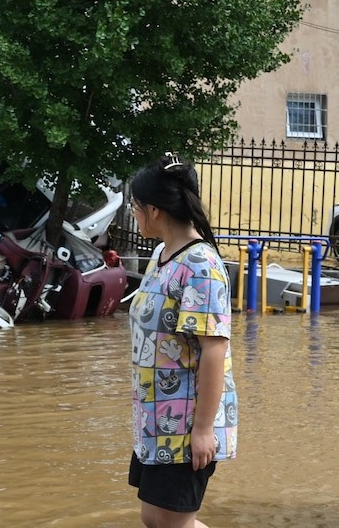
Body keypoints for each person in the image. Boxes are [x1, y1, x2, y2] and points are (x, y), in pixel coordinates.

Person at [126, 154, 237, 528]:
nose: (133, 212)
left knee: (172, 523)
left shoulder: (201, 265)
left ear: (153, 210)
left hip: (187, 421)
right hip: (156, 417)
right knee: (155, 518)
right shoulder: (161, 255)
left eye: (135, 206)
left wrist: (203, 430)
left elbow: (214, 351)